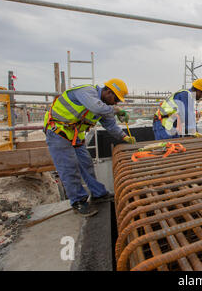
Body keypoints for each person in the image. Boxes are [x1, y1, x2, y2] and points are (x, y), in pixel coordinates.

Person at [44, 78, 135, 217]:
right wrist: (116, 110)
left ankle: (98, 194)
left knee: (86, 164)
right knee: (69, 167)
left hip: (74, 134)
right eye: (116, 99)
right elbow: (96, 107)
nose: (116, 103)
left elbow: (110, 125)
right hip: (57, 131)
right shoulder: (87, 91)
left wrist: (124, 137)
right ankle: (78, 201)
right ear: (108, 92)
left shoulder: (105, 106)